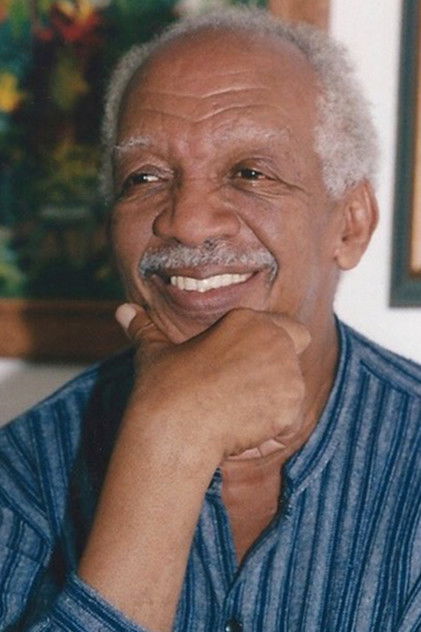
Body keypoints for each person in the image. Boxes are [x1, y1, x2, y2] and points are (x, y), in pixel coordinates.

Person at [0, 7, 420, 632]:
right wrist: (168, 442)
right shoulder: (24, 473)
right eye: (145, 177)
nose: (188, 222)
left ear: (350, 224)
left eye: (250, 173)